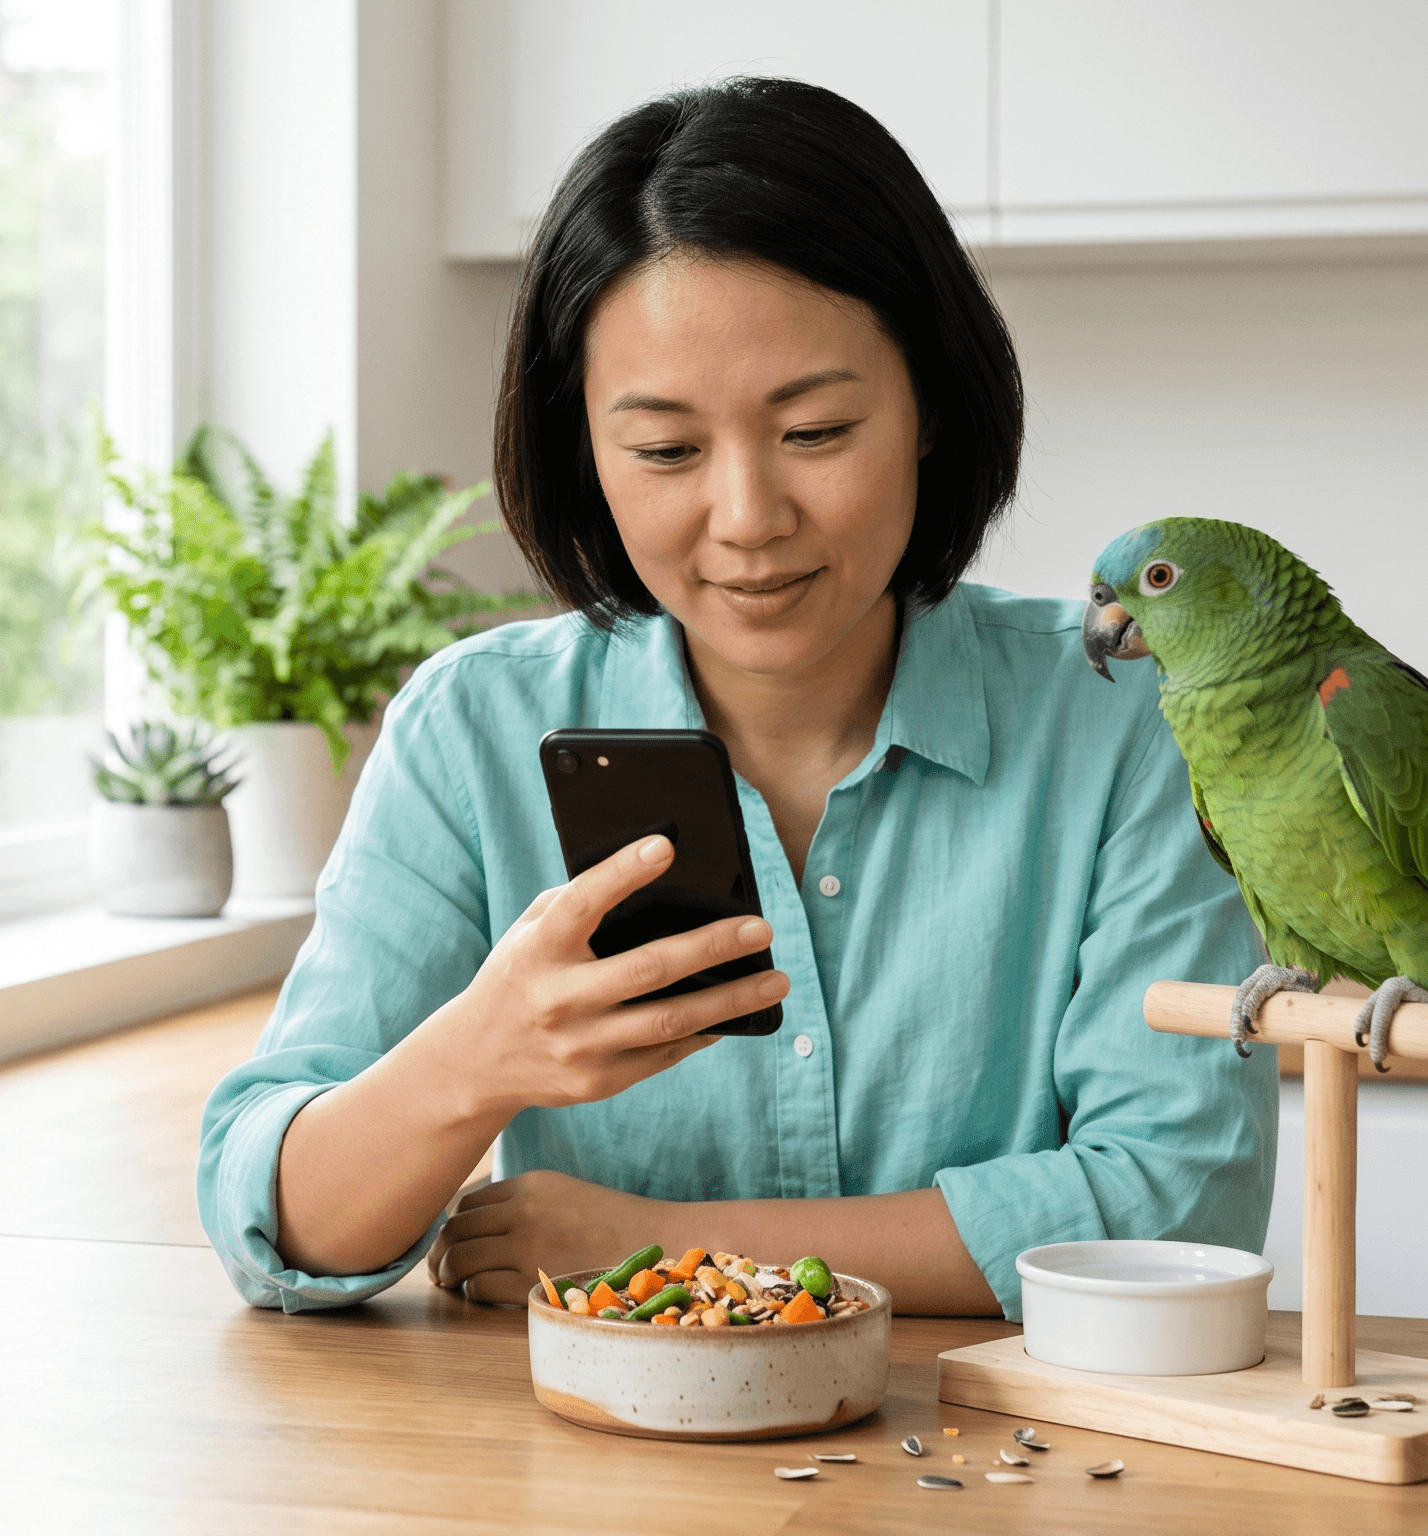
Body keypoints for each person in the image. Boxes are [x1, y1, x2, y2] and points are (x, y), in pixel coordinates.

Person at [195, 78, 1275, 1320]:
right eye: (663, 451)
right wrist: (472, 1064)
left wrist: (662, 1244)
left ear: (927, 405)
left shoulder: (1120, 726)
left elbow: (1176, 1204)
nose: (749, 522)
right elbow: (274, 1225)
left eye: (813, 431)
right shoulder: (471, 730)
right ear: (583, 453)